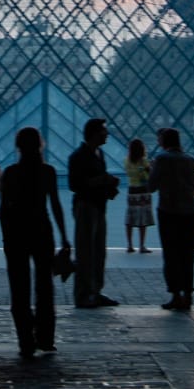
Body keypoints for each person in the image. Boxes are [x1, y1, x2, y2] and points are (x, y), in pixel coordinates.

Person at [0, 126, 71, 359]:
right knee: (45, 287)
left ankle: (25, 340)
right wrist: (64, 237)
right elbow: (56, 206)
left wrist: (6, 236)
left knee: (19, 288)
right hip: (42, 230)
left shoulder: (9, 173)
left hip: (17, 233)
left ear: (18, 146)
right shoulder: (47, 172)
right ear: (40, 144)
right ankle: (46, 338)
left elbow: (4, 210)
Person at [68, 117, 120, 308]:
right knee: (85, 252)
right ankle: (83, 295)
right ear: (94, 133)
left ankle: (95, 292)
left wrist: (108, 187)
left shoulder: (99, 154)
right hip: (86, 206)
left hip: (98, 206)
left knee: (98, 252)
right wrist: (102, 180)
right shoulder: (78, 156)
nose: (107, 134)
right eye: (104, 131)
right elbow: (75, 185)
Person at [148, 127, 194, 311]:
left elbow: (151, 186)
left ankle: (175, 294)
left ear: (164, 141)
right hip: (189, 212)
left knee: (171, 254)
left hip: (169, 211)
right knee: (187, 254)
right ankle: (188, 294)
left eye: (159, 139)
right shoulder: (191, 160)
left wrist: (151, 169)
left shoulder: (161, 159)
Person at [124, 138, 154, 253]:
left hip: (132, 190)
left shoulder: (126, 160)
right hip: (143, 191)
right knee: (143, 219)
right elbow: (148, 175)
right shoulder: (144, 161)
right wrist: (147, 168)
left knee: (130, 217)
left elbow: (130, 173)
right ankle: (142, 245)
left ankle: (130, 245)